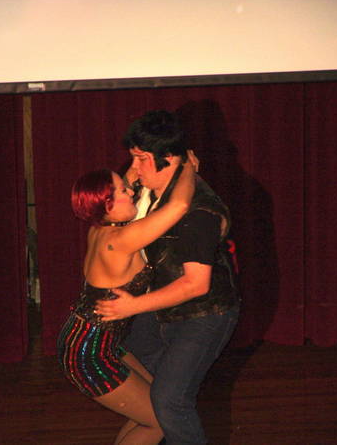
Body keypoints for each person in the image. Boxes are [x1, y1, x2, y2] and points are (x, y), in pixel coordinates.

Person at [95, 110, 241, 444]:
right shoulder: (145, 190)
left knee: (169, 402)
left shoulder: (199, 211)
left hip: (202, 313)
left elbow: (196, 284)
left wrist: (132, 307)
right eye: (133, 157)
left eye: (141, 158)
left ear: (170, 158)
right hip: (158, 309)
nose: (133, 168)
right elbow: (117, 196)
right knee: (149, 398)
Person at [57, 155, 197, 444]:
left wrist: (140, 158)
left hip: (97, 341)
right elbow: (179, 206)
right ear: (107, 204)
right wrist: (186, 168)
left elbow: (128, 179)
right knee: (161, 421)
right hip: (89, 353)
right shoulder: (120, 240)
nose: (131, 190)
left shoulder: (101, 228)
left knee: (152, 410)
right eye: (123, 190)